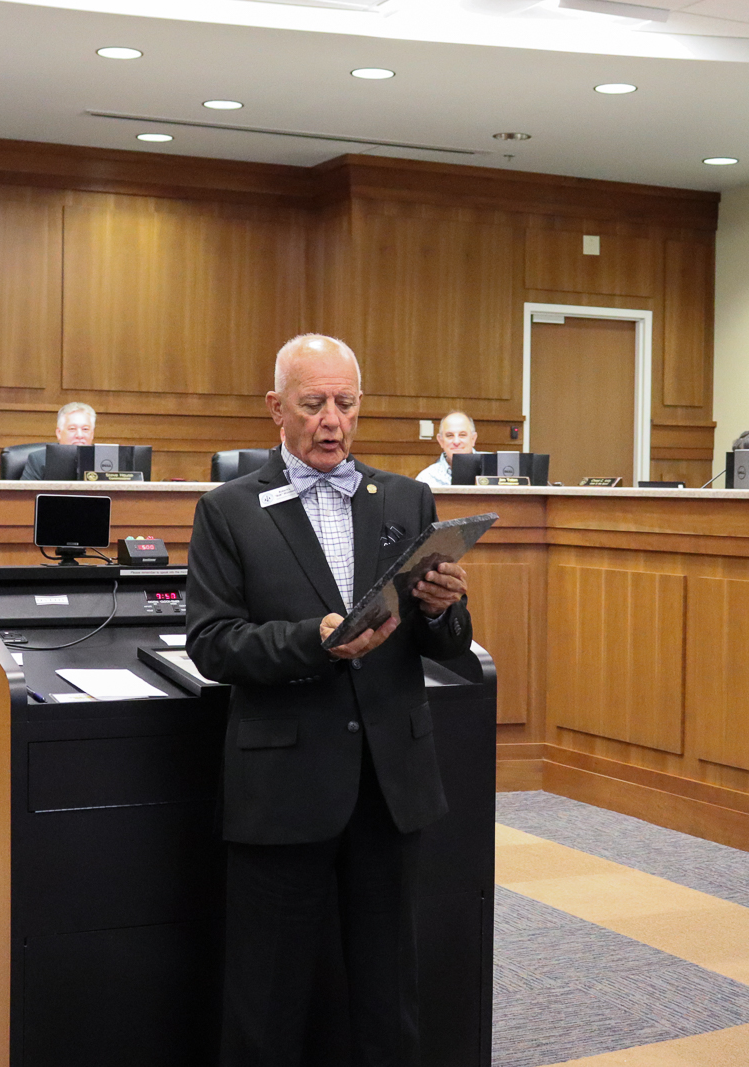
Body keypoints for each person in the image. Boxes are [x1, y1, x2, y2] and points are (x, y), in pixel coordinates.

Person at [186, 333, 472, 1067]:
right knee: (267, 1002)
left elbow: (446, 645)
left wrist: (441, 608)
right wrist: (311, 641)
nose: (331, 421)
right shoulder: (227, 510)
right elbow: (213, 643)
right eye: (313, 404)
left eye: (345, 403)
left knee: (388, 995)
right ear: (276, 408)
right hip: (283, 785)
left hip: (389, 784)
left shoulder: (407, 499)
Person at [20, 401, 96, 480]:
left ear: (92, 434)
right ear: (59, 433)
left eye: (85, 429)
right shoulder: (39, 460)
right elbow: (26, 492)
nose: (80, 435)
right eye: (72, 429)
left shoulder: (103, 460)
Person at [415, 410, 478, 486]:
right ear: (440, 441)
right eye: (449, 435)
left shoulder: (493, 469)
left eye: (462, 435)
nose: (456, 442)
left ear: (473, 439)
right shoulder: (426, 479)